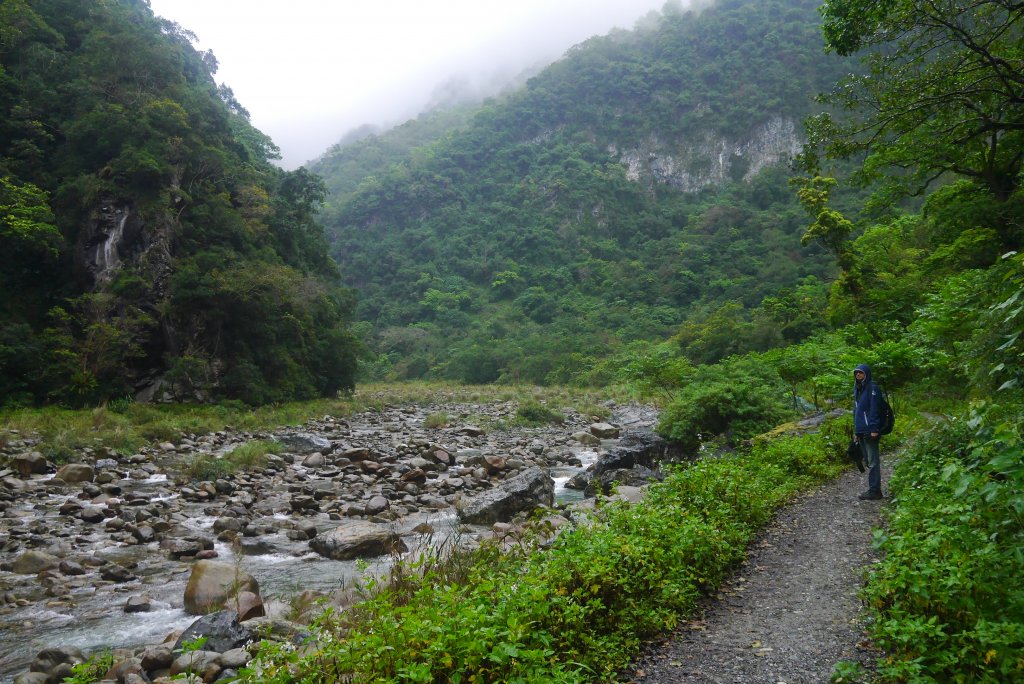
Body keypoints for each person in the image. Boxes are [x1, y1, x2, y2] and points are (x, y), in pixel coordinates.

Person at [853, 364, 883, 500]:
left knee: (873, 461)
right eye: (856, 373)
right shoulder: (858, 389)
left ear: (866, 374)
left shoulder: (872, 388)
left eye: (861, 373)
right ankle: (873, 489)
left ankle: (875, 491)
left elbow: (875, 409)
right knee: (868, 461)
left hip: (870, 430)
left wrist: (874, 429)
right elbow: (857, 412)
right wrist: (856, 431)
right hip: (861, 430)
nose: (858, 375)